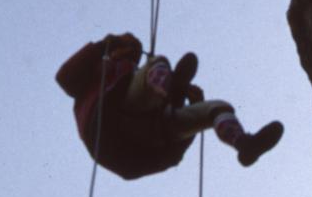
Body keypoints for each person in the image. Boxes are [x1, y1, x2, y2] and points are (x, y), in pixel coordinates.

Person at [55, 31, 284, 180]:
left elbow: (173, 153)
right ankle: (174, 90)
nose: (130, 56)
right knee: (158, 64)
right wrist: (106, 45)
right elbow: (65, 78)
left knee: (217, 107)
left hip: (134, 136)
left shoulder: (120, 75)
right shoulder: (101, 73)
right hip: (113, 120)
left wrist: (192, 108)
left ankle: (244, 144)